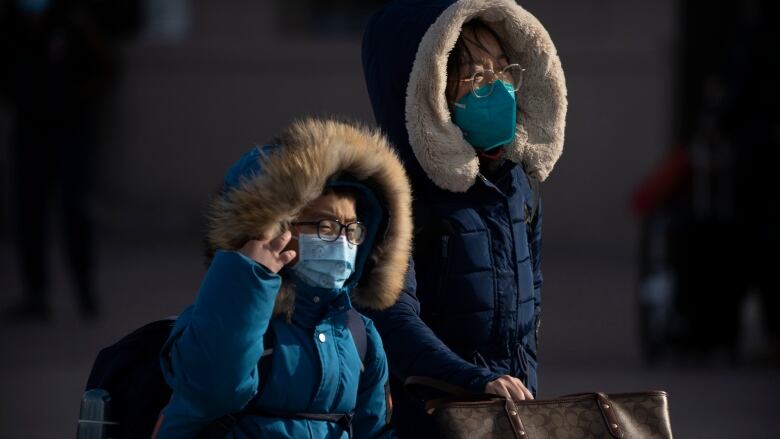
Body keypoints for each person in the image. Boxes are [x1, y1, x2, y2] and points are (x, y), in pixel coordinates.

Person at [361, 0, 567, 435]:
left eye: (503, 71)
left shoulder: (518, 185)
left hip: (508, 417)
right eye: (475, 76)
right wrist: (474, 382)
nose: (496, 88)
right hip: (433, 418)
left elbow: (528, 322)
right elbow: (394, 321)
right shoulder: (394, 196)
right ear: (427, 88)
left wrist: (523, 402)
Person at [153, 119, 412, 438]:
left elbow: (373, 431)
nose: (342, 242)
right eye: (325, 226)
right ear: (274, 228)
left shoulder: (359, 335)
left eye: (352, 229)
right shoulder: (222, 319)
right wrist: (246, 278)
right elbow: (214, 386)